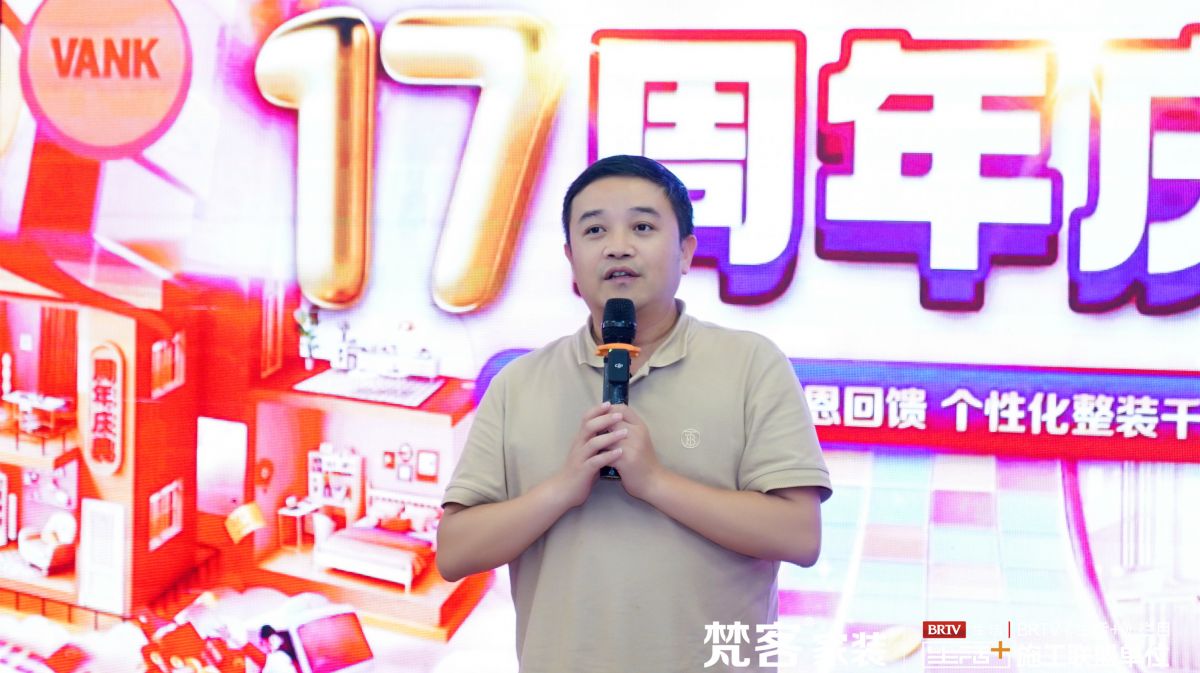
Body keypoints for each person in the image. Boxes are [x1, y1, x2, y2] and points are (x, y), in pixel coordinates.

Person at [438, 155, 832, 672]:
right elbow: (454, 553)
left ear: (686, 252)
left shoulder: (751, 363)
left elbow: (800, 536)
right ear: (570, 257)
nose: (617, 246)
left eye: (642, 227)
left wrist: (655, 482)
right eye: (594, 230)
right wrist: (562, 488)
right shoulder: (518, 384)